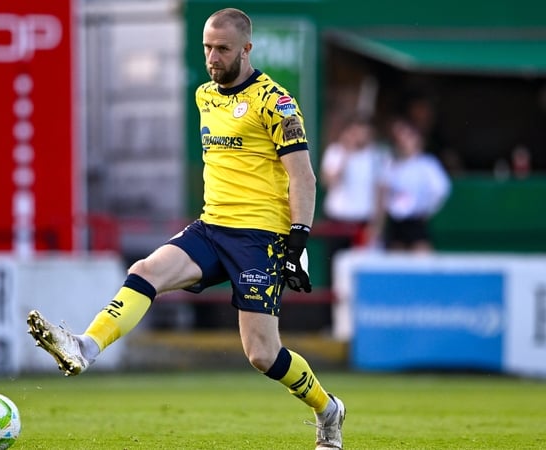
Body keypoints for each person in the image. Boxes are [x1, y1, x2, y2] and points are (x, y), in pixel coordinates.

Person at [27, 8, 346, 450]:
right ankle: (86, 346)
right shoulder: (204, 96)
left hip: (260, 239)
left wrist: (297, 244)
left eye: (223, 49)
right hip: (211, 228)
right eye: (207, 48)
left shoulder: (276, 103)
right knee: (145, 271)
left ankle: (328, 410)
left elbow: (303, 178)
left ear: (247, 49)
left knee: (262, 355)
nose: (212, 58)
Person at [370, 119, 451, 252]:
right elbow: (382, 196)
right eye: (399, 138)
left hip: (416, 221)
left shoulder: (427, 164)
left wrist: (427, 210)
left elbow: (441, 190)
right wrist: (377, 226)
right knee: (394, 258)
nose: (403, 142)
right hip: (395, 222)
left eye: (408, 137)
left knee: (422, 257)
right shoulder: (389, 164)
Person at [321, 117, 389, 250]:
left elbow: (381, 192)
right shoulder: (335, 152)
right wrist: (346, 155)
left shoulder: (377, 156)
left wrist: (377, 225)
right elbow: (329, 182)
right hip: (338, 218)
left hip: (363, 220)